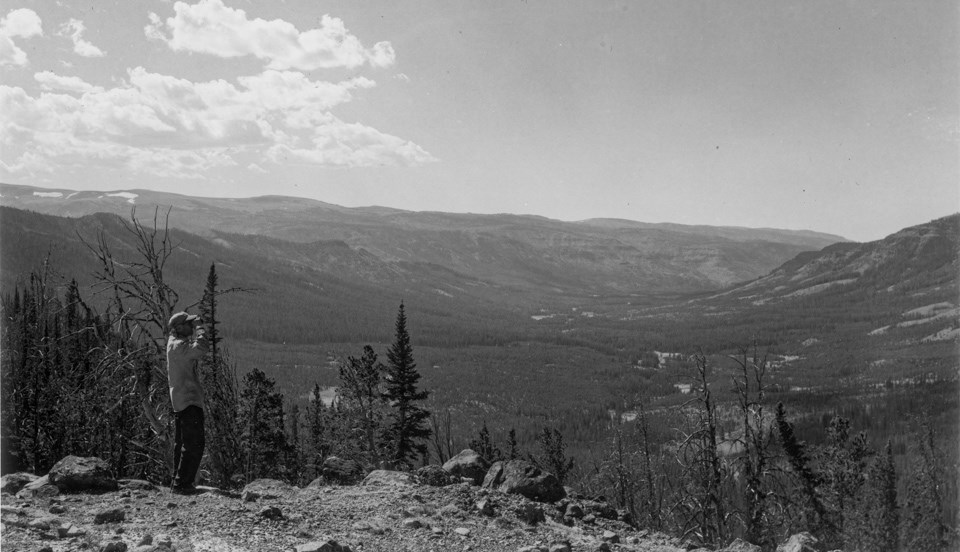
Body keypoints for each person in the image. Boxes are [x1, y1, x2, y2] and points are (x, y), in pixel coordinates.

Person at [166, 311, 209, 493]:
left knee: (182, 443)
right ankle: (183, 484)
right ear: (179, 328)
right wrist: (200, 329)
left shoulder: (174, 344)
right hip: (188, 399)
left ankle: (178, 481)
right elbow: (201, 348)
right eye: (189, 324)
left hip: (181, 399)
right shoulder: (179, 346)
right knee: (194, 443)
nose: (191, 326)